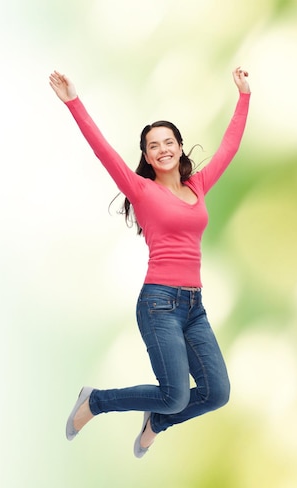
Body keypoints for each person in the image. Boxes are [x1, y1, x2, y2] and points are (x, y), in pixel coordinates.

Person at [49, 67, 251, 458]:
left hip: (194, 306)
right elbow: (102, 150)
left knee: (217, 392)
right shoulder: (140, 190)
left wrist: (243, 96)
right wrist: (74, 101)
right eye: (153, 145)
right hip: (159, 304)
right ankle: (96, 401)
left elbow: (229, 147)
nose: (162, 149)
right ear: (146, 155)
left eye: (168, 141)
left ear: (179, 146)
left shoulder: (198, 186)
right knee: (174, 395)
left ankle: (155, 421)